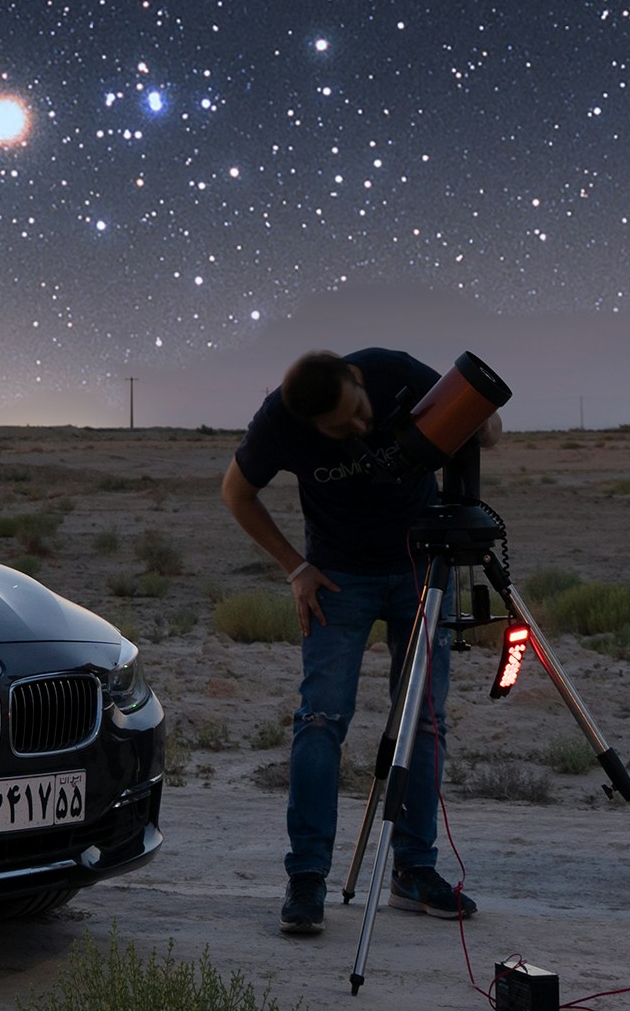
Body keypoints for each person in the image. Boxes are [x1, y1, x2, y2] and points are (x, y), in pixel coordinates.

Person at [221, 347, 492, 936]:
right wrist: (296, 568)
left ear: (357, 377)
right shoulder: (279, 420)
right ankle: (308, 878)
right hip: (337, 579)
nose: (359, 428)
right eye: (339, 428)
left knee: (423, 721)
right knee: (320, 720)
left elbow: (481, 426)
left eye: (360, 412)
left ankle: (414, 871)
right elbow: (236, 493)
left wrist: (482, 420)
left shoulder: (396, 371)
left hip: (423, 566)